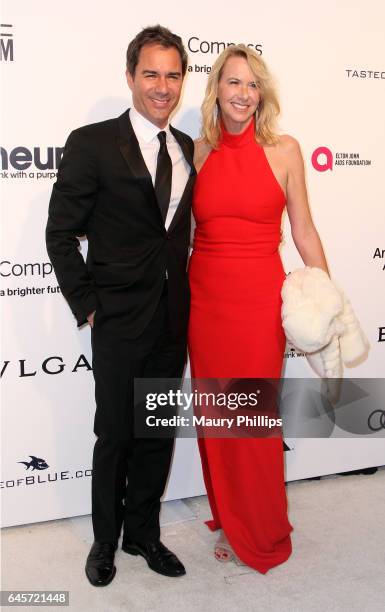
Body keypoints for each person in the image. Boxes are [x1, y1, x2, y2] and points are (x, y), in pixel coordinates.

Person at [46, 25, 195, 586]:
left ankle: (144, 534)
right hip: (115, 318)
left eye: (173, 75)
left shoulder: (184, 149)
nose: (162, 86)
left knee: (155, 430)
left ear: (182, 80)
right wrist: (87, 305)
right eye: (151, 73)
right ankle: (105, 540)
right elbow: (61, 234)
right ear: (131, 76)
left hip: (170, 318)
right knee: (115, 434)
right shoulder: (92, 143)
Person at [188, 44, 329, 573]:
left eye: (251, 84)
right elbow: (182, 234)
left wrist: (325, 298)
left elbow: (304, 230)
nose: (242, 94)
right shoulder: (197, 150)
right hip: (205, 298)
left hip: (258, 300)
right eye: (233, 83)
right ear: (217, 90)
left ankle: (262, 529)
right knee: (217, 415)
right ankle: (229, 513)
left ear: (261, 93)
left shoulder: (286, 149)